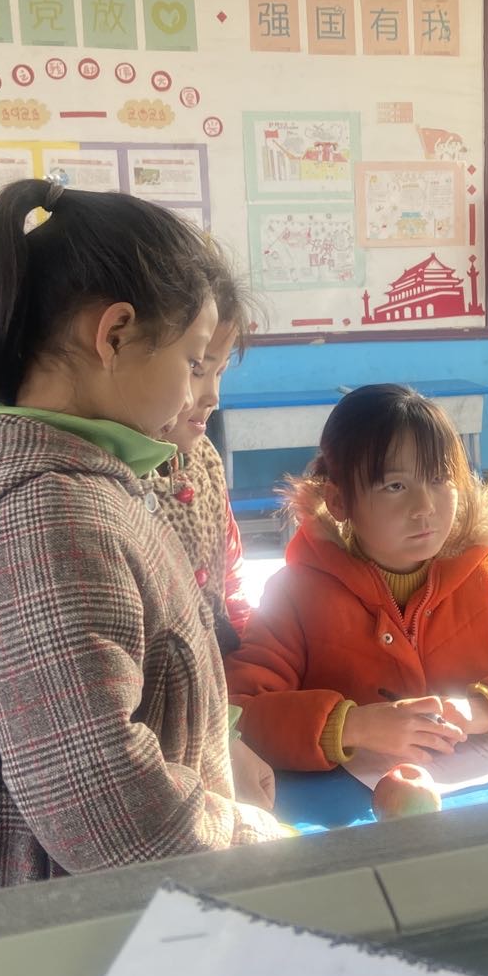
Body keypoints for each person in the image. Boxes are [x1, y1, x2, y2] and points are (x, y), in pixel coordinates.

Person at [0, 178, 286, 908]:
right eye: (193, 361)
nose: (197, 393)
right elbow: (106, 808)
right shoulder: (52, 525)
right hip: (53, 922)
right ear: (115, 335)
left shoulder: (81, 488)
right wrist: (260, 843)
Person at [225, 384, 488, 772]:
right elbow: (234, 715)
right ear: (339, 501)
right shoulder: (296, 595)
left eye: (440, 478)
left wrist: (484, 709)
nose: (424, 507)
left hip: (473, 796)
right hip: (355, 804)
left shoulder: (486, 571)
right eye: (395, 486)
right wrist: (351, 726)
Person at [150, 274, 272, 808]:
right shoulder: (118, 489)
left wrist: (250, 670)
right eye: (197, 368)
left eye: (220, 372)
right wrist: (225, 735)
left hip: (219, 693)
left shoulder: (203, 460)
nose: (213, 397)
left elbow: (229, 579)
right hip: (163, 725)